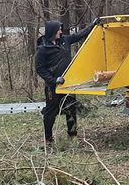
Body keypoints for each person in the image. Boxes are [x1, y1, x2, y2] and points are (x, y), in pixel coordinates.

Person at [36, 18, 98, 146]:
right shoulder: (43, 49)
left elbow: (79, 35)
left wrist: (92, 25)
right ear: (52, 31)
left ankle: (72, 135)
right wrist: (54, 80)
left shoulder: (64, 40)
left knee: (71, 109)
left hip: (68, 84)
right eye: (58, 29)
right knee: (50, 112)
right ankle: (48, 139)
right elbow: (40, 69)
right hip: (53, 87)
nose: (60, 31)